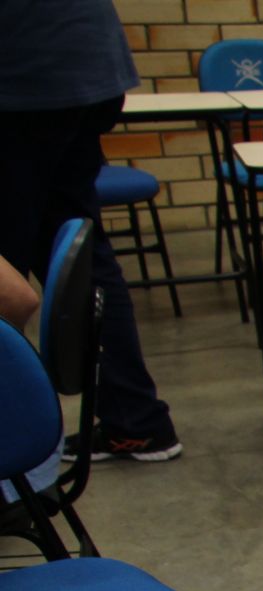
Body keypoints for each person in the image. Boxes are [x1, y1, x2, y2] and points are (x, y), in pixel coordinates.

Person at [0, 0, 182, 462]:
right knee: (76, 249)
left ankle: (14, 450)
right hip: (84, 70)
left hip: (23, 78)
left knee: (8, 275)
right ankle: (135, 421)